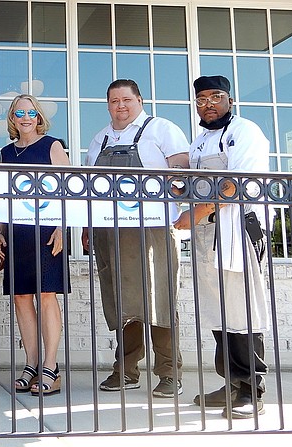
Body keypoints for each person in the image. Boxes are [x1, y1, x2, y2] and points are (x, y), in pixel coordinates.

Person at [81, 79, 189, 398]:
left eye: (126, 100)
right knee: (121, 300)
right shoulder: (100, 138)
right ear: (108, 105)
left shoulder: (162, 130)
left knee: (159, 297)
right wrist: (88, 226)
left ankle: (170, 373)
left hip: (153, 228)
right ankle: (126, 370)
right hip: (109, 231)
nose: (120, 106)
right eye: (114, 101)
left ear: (139, 100)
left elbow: (182, 176)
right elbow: (89, 188)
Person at [173, 75, 270, 419]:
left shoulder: (244, 131)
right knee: (217, 308)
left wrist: (196, 211)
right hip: (206, 233)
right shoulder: (200, 141)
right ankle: (230, 382)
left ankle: (251, 389)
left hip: (236, 228)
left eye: (215, 97)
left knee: (242, 307)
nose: (208, 104)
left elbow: (237, 183)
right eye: (201, 100)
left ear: (230, 99)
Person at [0, 94, 70, 397]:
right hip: (16, 231)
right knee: (21, 297)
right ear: (12, 119)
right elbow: (1, 195)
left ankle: (51, 368)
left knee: (46, 294)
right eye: (19, 113)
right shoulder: (6, 152)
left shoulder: (52, 145)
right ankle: (32, 364)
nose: (25, 117)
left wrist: (63, 227)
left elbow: (69, 189)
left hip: (46, 230)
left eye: (31, 112)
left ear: (39, 117)